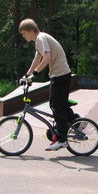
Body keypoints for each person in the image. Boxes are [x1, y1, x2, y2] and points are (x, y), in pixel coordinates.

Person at [19, 18, 75, 151]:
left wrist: (35, 75)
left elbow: (47, 57)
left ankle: (62, 140)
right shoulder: (38, 41)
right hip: (59, 74)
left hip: (60, 74)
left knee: (56, 106)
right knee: (55, 103)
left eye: (23, 33)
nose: (23, 36)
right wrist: (27, 75)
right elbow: (37, 58)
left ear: (30, 31)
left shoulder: (41, 38)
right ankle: (75, 121)